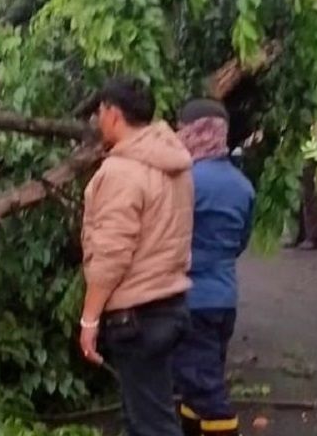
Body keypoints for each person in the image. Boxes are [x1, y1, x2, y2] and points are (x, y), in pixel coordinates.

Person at [79, 76, 194, 436]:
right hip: (170, 303)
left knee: (152, 425)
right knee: (142, 416)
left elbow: (112, 254)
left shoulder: (122, 172)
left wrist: (89, 320)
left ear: (113, 115)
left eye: (99, 112)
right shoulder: (173, 165)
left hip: (138, 315)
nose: (98, 120)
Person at [173, 99, 255, 436]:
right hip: (224, 299)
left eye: (180, 129)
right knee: (198, 383)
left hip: (192, 301)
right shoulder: (242, 185)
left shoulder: (185, 181)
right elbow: (240, 242)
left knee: (208, 393)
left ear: (194, 132)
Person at [288, 123, 317, 250]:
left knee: (310, 199)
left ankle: (312, 237)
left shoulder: (313, 116)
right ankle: (299, 235)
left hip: (310, 158)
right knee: (296, 199)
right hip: (297, 157)